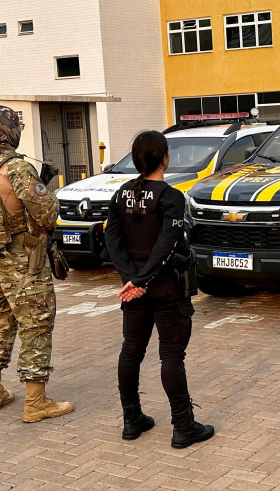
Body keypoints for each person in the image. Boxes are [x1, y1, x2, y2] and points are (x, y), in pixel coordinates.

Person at [0, 105, 73, 423]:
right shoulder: (18, 168)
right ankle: (36, 402)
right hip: (24, 264)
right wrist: (48, 191)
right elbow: (47, 213)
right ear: (9, 131)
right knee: (36, 326)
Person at [103, 130, 214, 445]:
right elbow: (166, 244)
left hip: (135, 287)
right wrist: (139, 280)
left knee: (131, 351)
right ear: (165, 158)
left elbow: (113, 240)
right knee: (171, 355)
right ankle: (183, 426)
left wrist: (131, 278)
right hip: (166, 287)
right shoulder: (170, 196)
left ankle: (132, 420)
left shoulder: (121, 193)